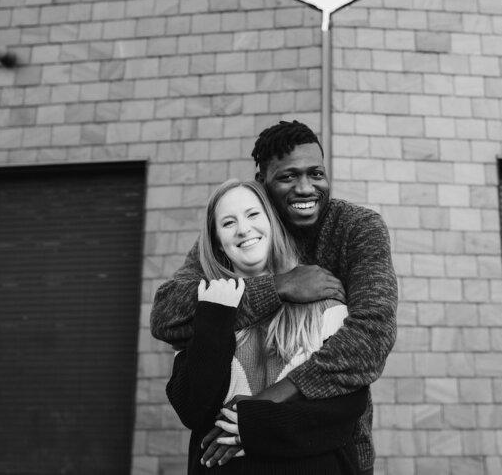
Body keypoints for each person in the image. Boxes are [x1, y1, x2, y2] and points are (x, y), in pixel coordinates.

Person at [152, 120, 398, 474]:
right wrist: (278, 287)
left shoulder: (356, 228)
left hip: (332, 448)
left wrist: (261, 408)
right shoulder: (244, 230)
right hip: (231, 457)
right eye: (288, 177)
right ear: (261, 181)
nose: (305, 188)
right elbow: (167, 316)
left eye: (316, 173)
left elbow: (371, 338)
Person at [166, 179, 367, 472]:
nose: (244, 229)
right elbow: (193, 410)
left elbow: (347, 409)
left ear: (272, 222)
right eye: (228, 223)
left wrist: (256, 425)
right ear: (217, 242)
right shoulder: (202, 309)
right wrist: (216, 314)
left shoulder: (325, 303)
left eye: (252, 214)